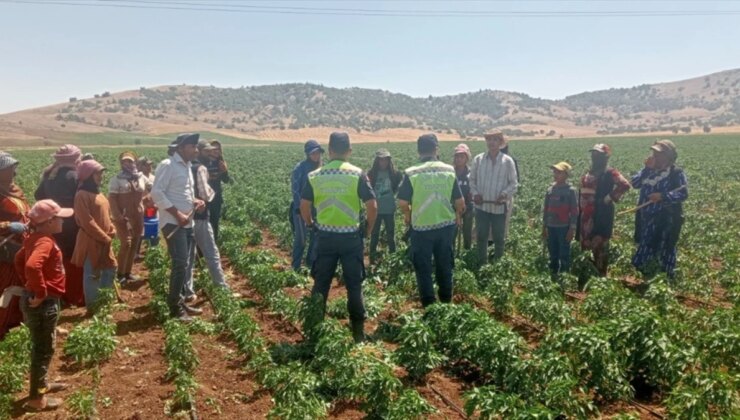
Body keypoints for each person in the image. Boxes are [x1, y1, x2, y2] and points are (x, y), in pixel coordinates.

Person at [300, 132, 377, 343]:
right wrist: (367, 229)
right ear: (349, 151)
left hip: (325, 237)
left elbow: (304, 206)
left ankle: (314, 331)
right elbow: (372, 206)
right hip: (351, 238)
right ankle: (358, 333)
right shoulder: (357, 174)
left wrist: (310, 224)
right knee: (354, 285)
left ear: (330, 150)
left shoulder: (316, 175)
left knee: (321, 283)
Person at [15, 199, 74, 412]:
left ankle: (43, 384)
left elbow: (19, 259)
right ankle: (36, 399)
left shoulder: (35, 238)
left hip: (42, 300)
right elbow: (31, 265)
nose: (63, 221)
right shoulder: (45, 242)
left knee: (45, 346)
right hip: (43, 302)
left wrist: (29, 284)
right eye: (59, 218)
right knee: (43, 349)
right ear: (49, 222)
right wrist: (39, 292)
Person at [398, 134, 465, 307]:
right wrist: (458, 215)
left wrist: (408, 215)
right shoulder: (449, 170)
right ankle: (446, 301)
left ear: (419, 151)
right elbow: (460, 202)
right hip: (445, 226)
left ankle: (429, 305)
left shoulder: (412, 172)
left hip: (421, 228)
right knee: (444, 265)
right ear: (436, 149)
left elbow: (403, 202)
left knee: (423, 267)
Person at [151, 133, 205, 322]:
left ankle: (180, 302)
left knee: (185, 264)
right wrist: (177, 213)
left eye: (196, 147)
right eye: (192, 147)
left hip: (186, 223)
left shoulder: (187, 167)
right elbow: (156, 193)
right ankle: (174, 307)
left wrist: (195, 201)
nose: (196, 150)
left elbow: (182, 193)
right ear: (181, 148)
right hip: (174, 223)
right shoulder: (168, 165)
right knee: (180, 263)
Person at [34, 145, 85, 307]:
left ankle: (59, 294)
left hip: (53, 222)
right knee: (74, 260)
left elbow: (38, 195)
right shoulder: (75, 176)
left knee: (58, 258)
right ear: (75, 158)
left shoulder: (49, 175)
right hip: (71, 222)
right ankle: (73, 296)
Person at [631, 140, 688, 280]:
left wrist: (663, 196)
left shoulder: (676, 173)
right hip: (646, 217)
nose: (654, 156)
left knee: (665, 247)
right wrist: (646, 169)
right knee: (646, 244)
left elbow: (683, 193)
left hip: (665, 219)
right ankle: (645, 275)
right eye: (654, 153)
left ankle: (665, 278)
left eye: (658, 154)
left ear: (668, 156)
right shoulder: (649, 171)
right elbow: (635, 183)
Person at [577, 144, 631, 277]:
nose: (595, 157)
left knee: (599, 243)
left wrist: (609, 198)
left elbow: (624, 184)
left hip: (600, 213)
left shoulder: (610, 172)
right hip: (585, 214)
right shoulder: (589, 172)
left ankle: (600, 275)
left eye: (599, 155)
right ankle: (587, 274)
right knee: (585, 243)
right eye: (593, 154)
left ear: (605, 157)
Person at [185, 140, 230, 295]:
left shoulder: (186, 165)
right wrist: (210, 194)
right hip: (200, 213)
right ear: (198, 151)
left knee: (187, 256)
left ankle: (188, 290)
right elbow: (205, 193)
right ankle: (221, 286)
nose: (210, 153)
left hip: (185, 214)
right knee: (211, 252)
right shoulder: (200, 168)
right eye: (206, 151)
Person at [71, 160, 117, 311]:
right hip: (91, 240)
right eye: (97, 173)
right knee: (93, 274)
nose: (100, 176)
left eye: (101, 173)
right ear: (88, 175)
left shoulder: (98, 192)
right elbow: (86, 221)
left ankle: (104, 302)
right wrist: (104, 236)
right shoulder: (82, 195)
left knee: (110, 268)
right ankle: (93, 307)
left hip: (104, 239)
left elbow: (107, 215)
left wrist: (111, 228)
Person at [470, 131, 518, 264]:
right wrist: (475, 194)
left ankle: (498, 265)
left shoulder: (508, 161)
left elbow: (514, 184)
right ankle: (482, 264)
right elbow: (472, 180)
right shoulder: (478, 160)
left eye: (495, 140)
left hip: (499, 209)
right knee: (481, 237)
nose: (491, 142)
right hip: (482, 207)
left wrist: (504, 194)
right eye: (489, 139)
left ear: (500, 143)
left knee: (499, 238)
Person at [0, 151, 30, 340]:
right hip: (5, 247)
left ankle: (15, 321)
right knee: (6, 286)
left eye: (14, 168)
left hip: (22, 244)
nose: (14, 172)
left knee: (20, 283)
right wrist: (9, 225)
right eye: (9, 169)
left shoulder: (14, 190)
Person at [109, 151, 146, 284]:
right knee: (126, 243)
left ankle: (128, 272)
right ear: (121, 163)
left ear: (135, 162)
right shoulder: (116, 179)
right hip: (123, 217)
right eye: (125, 161)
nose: (127, 164)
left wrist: (146, 203)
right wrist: (117, 215)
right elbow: (112, 198)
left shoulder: (140, 177)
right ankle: (119, 274)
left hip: (138, 215)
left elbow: (149, 189)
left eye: (130, 161)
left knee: (135, 243)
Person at [290, 140, 323, 271]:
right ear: (307, 154)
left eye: (318, 153)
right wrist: (299, 208)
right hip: (301, 209)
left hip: (317, 208)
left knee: (315, 238)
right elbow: (295, 189)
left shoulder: (322, 168)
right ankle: (296, 266)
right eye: (313, 153)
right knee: (301, 239)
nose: (316, 155)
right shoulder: (300, 168)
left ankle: (310, 264)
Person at [543, 162, 578, 280]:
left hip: (564, 227)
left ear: (566, 175)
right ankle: (553, 274)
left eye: (559, 172)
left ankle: (564, 277)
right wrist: (544, 227)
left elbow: (574, 211)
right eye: (555, 172)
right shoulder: (550, 190)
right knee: (552, 252)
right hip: (551, 226)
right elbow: (546, 210)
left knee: (564, 253)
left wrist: (572, 229)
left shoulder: (570, 191)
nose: (556, 174)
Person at [367, 148, 402, 264]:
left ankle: (393, 258)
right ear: (377, 161)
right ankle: (372, 258)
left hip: (389, 209)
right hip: (376, 210)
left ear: (389, 160)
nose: (383, 162)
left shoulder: (395, 174)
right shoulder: (371, 174)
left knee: (391, 235)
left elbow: (397, 188)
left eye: (386, 160)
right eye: (381, 160)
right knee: (374, 235)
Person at [205, 140, 230, 242]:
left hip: (216, 196)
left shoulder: (221, 162)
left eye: (218, 149)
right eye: (214, 148)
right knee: (205, 222)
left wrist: (224, 171)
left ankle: (214, 243)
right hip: (205, 197)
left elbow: (226, 180)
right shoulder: (204, 161)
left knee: (215, 222)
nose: (216, 151)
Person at [453, 143, 474, 251]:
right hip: (452, 208)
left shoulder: (471, 173)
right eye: (457, 156)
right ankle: (451, 252)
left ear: (466, 158)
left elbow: (474, 189)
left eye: (462, 157)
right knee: (452, 232)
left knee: (467, 231)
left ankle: (467, 251)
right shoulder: (450, 172)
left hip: (468, 207)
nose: (459, 159)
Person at [500, 143, 519, 240]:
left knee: (502, 222)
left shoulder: (511, 160)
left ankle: (498, 247)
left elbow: (515, 182)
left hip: (505, 197)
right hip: (491, 197)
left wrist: (504, 193)